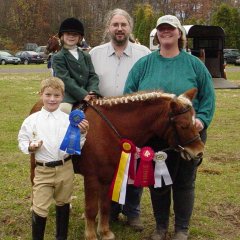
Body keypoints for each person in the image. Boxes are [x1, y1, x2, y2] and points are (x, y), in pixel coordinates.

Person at [124, 15, 215, 240]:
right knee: (159, 182)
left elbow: (208, 98)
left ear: (179, 34)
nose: (166, 33)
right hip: (155, 137)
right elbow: (129, 95)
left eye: (170, 29)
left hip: (187, 133)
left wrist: (201, 120)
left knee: (184, 181)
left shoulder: (194, 64)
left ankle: (182, 229)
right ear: (157, 34)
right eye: (162, 29)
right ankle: (161, 227)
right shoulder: (144, 64)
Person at [89, 8, 151, 231]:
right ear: (108, 28)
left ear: (129, 28)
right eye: (115, 24)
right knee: (108, 167)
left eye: (123, 25)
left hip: (134, 119)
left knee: (135, 163)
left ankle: (132, 211)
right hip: (104, 121)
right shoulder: (94, 54)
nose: (119, 29)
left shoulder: (143, 54)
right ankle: (111, 209)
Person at [18, 77, 89, 240]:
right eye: (48, 94)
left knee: (63, 203)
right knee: (40, 207)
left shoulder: (68, 121)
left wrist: (83, 133)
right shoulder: (31, 121)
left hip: (65, 169)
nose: (52, 99)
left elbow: (76, 145)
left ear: (62, 97)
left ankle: (61, 237)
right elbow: (22, 140)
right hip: (43, 170)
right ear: (41, 94)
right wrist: (30, 146)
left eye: (56, 95)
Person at [52, 17, 99, 114]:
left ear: (80, 37)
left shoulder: (86, 55)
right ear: (62, 36)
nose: (71, 37)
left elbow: (92, 76)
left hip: (89, 94)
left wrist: (92, 91)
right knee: (63, 110)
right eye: (68, 34)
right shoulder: (58, 57)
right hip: (69, 97)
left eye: (75, 34)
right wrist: (83, 94)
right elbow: (65, 79)